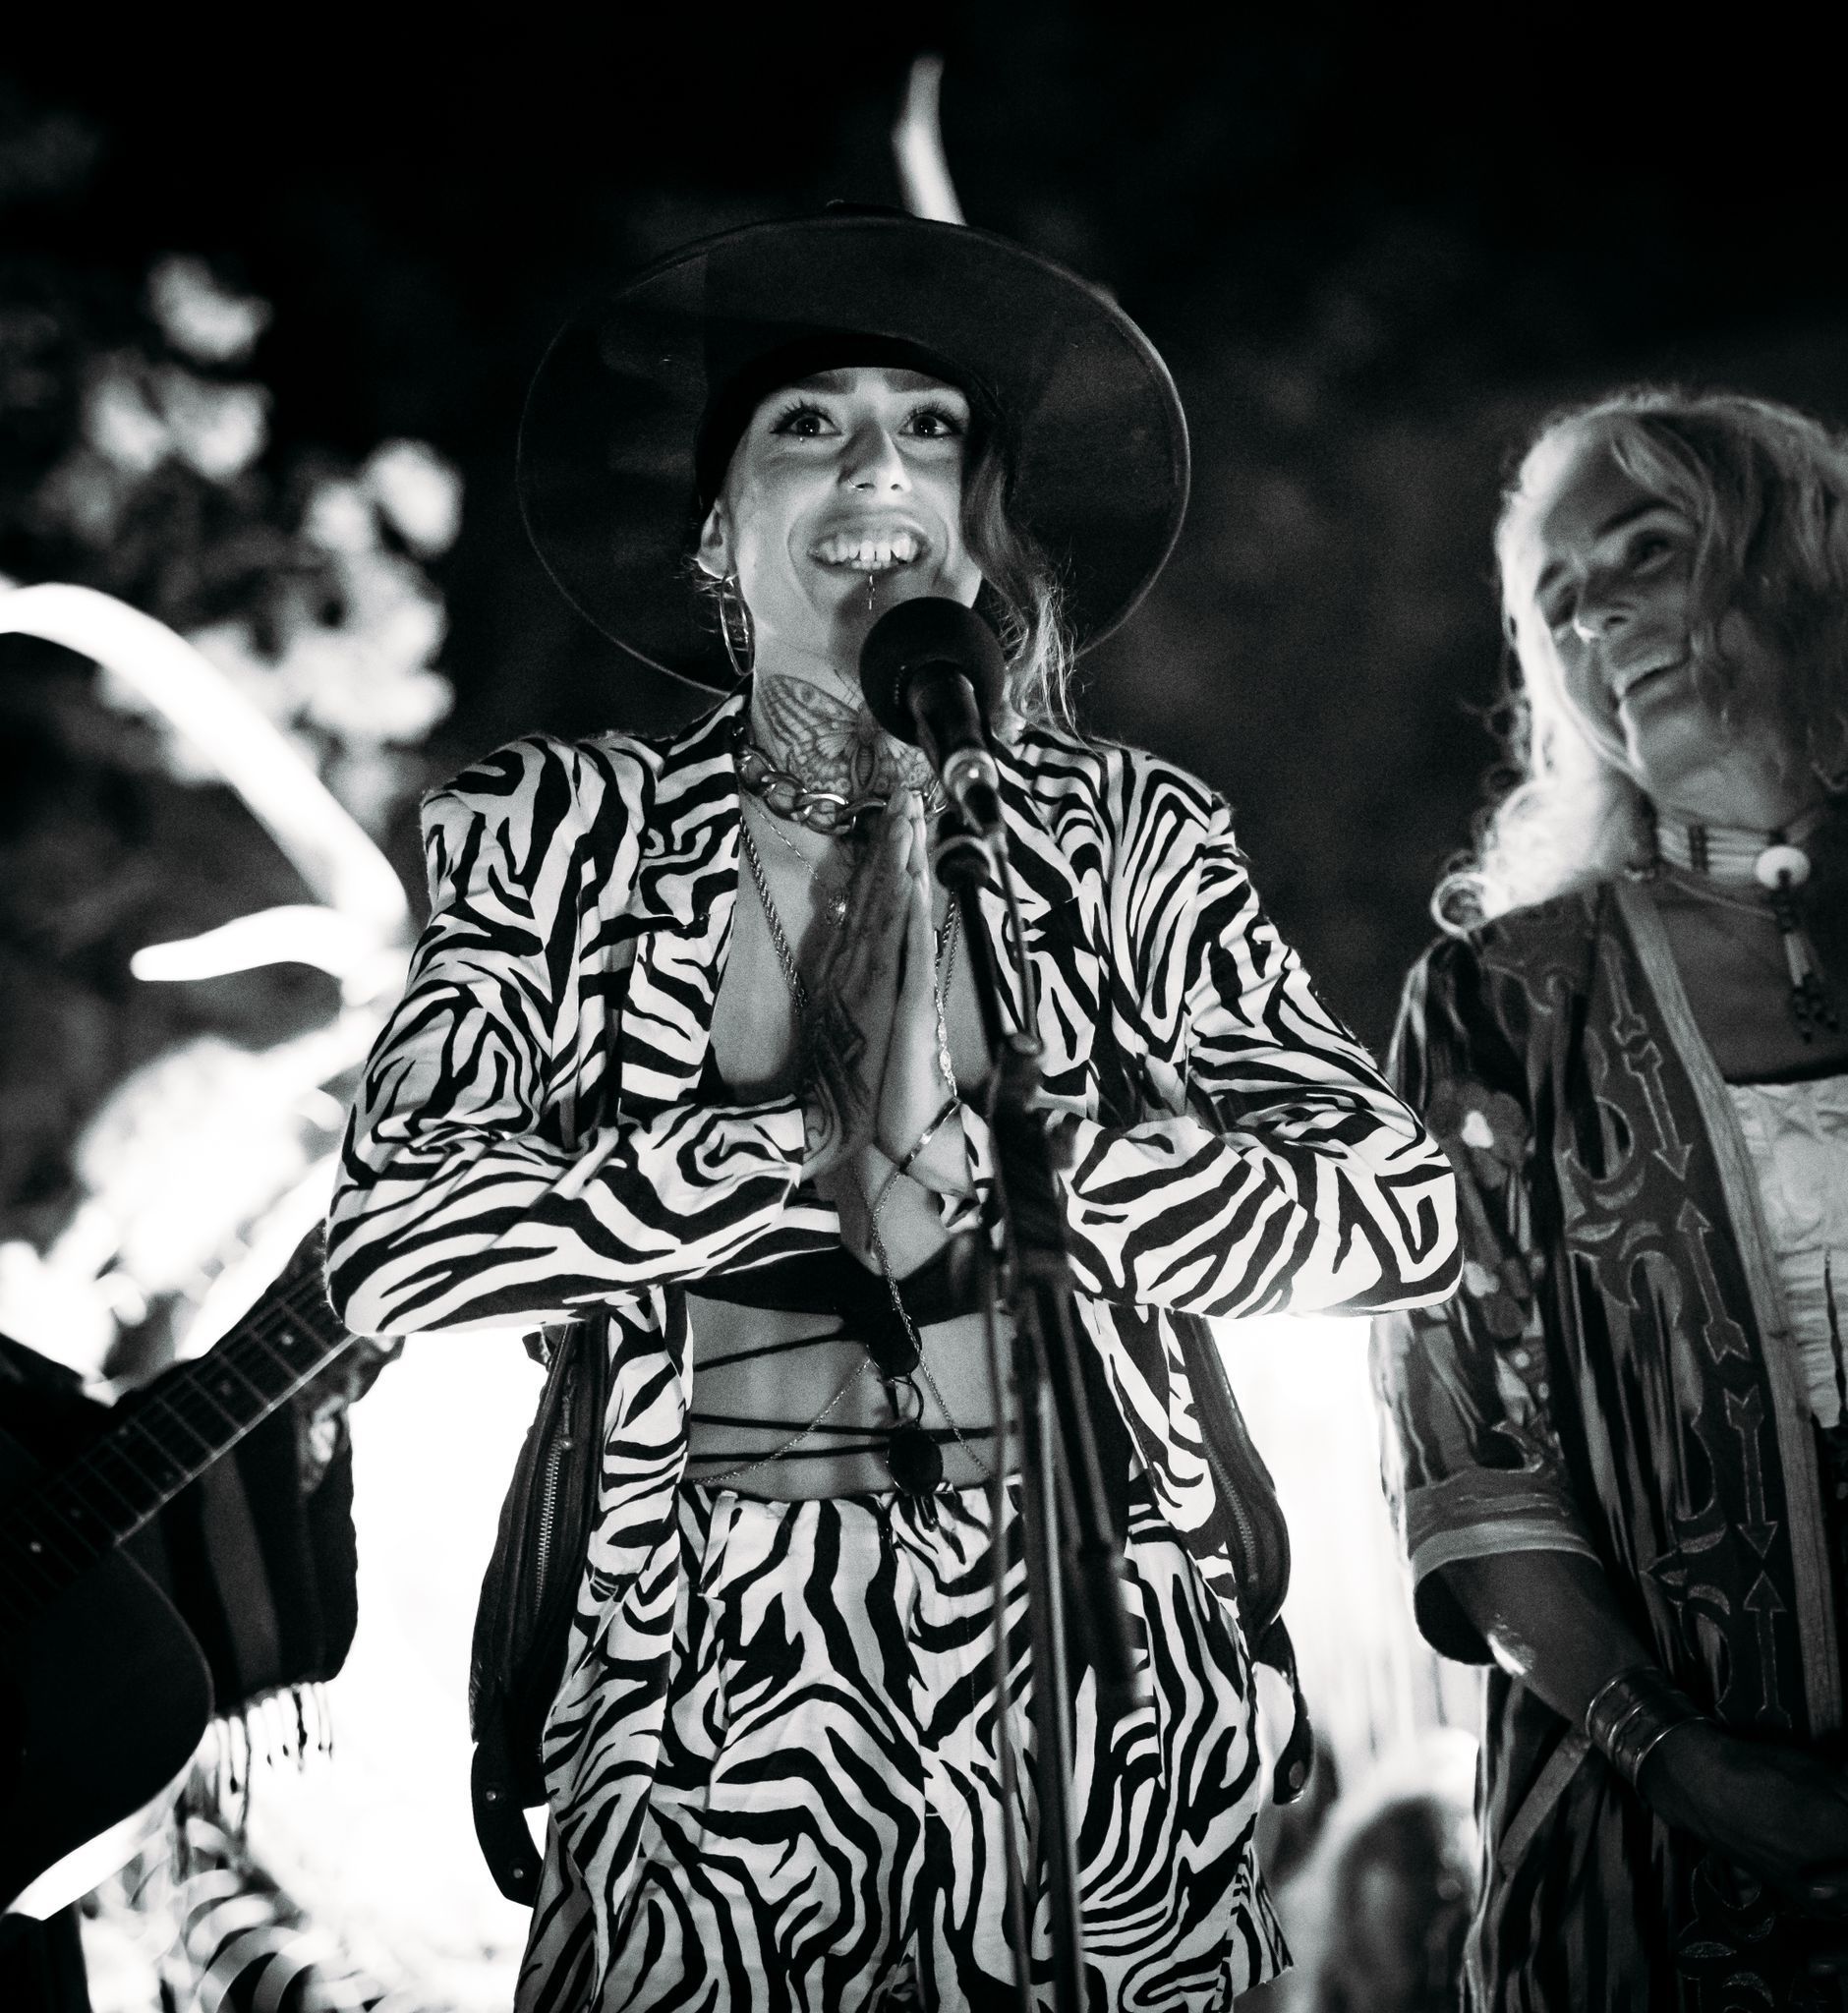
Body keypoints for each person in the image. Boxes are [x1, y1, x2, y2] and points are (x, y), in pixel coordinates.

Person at [325, 209, 1460, 2011]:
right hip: (699, 1712)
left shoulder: (1128, 839)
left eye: (930, 428)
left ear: (974, 526)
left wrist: (1032, 1174)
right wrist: (803, 1153)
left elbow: (1400, 1211)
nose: (877, 465)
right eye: (809, 424)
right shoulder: (560, 832)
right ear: (717, 534)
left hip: (1100, 1699)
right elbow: (393, 1241)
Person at [1372, 387, 1848, 2009]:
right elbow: (1467, 1464)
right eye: (1559, 601)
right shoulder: (1501, 1002)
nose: (1600, 619)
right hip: (1646, 1873)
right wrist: (1685, 1763)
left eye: (1649, 553)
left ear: (1802, 559)